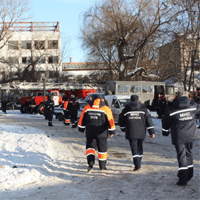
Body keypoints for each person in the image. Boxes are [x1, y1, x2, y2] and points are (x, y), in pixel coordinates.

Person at [162, 95, 200, 186]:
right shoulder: (193, 106)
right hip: (191, 135)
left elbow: (165, 122)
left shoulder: (171, 110)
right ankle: (189, 174)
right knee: (189, 153)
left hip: (179, 136)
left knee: (181, 155)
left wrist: (165, 132)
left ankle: (183, 179)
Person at [78, 94, 116, 173]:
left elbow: (82, 119)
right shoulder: (106, 108)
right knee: (102, 150)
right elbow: (110, 121)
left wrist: (81, 128)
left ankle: (90, 164)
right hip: (102, 133)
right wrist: (111, 131)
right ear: (102, 100)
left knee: (90, 149)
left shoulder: (87, 107)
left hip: (90, 133)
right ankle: (102, 167)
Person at [118, 95, 155, 171]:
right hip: (141, 133)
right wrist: (152, 132)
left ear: (130, 101)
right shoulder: (144, 109)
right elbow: (149, 121)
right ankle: (139, 161)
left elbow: (121, 121)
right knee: (140, 147)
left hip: (131, 132)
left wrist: (123, 129)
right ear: (138, 100)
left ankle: (137, 165)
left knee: (134, 148)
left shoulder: (126, 110)